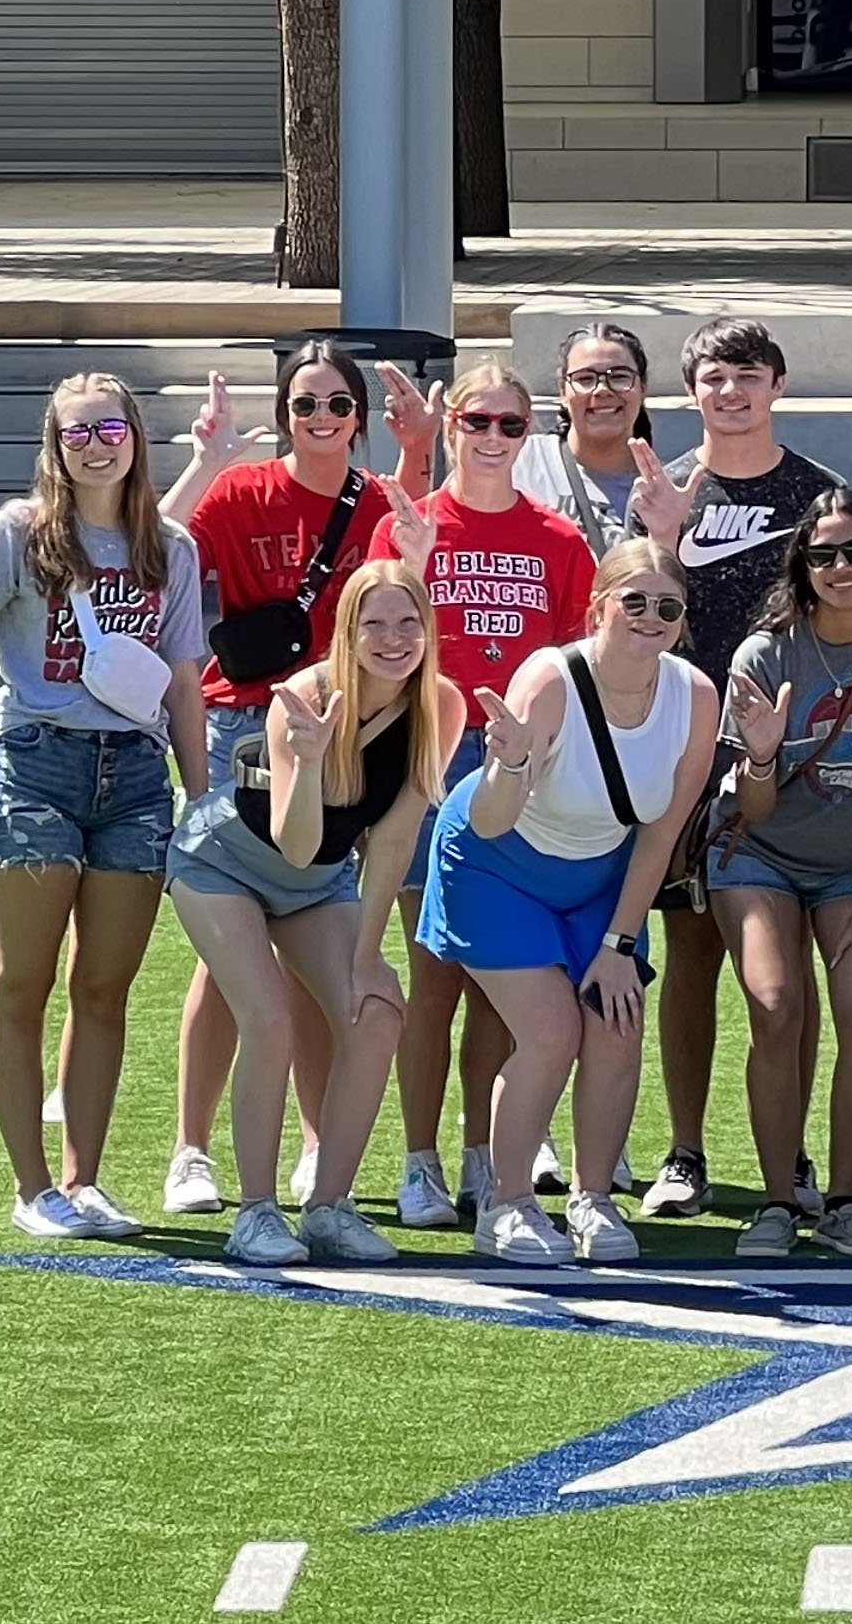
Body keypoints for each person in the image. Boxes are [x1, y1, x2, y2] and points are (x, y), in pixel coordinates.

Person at [0, 376, 210, 1238]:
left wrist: (201, 794)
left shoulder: (169, 547)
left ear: (137, 437)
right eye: (78, 434)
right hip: (36, 764)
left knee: (104, 987)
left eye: (112, 428)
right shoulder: (19, 532)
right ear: (54, 445)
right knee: (22, 981)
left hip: (136, 777)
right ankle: (33, 1187)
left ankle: (86, 1179)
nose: (97, 445)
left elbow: (184, 683)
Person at [158, 340, 417, 1215]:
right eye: (304, 405)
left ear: (358, 416)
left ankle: (314, 1145)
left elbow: (401, 609)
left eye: (337, 404)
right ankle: (191, 1148)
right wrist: (203, 464)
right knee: (231, 968)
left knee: (314, 938)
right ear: (283, 414)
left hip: (341, 736)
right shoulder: (242, 491)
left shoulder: (378, 502)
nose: (320, 419)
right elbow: (162, 559)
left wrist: (420, 461)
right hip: (244, 724)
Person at [419, 540, 720, 1264]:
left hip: (599, 875)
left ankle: (592, 1198)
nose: (650, 618)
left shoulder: (696, 696)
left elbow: (661, 832)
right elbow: (490, 821)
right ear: (598, 609)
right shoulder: (549, 680)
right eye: (634, 602)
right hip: (493, 866)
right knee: (552, 1032)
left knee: (616, 1023)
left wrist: (620, 945)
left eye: (667, 607)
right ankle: (508, 1204)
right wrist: (513, 761)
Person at [165, 561, 462, 1263]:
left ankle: (329, 1205)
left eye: (407, 622)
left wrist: (366, 959)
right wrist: (311, 754)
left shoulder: (440, 704)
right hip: (222, 864)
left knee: (379, 1009)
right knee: (266, 1019)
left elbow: (390, 840)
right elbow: (295, 842)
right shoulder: (303, 695)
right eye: (374, 624)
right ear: (346, 633)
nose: (393, 639)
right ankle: (256, 1213)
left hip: (319, 883)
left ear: (428, 627)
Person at [368, 366, 599, 1227]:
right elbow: (378, 646)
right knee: (432, 975)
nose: (492, 439)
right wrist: (414, 566)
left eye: (510, 425)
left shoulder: (559, 539)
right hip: (429, 753)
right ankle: (419, 1159)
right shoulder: (412, 524)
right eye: (477, 421)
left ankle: (481, 1152)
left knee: (503, 976)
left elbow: (579, 664)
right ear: (451, 424)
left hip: (519, 762)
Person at [625, 318, 844, 1221]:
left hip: (788, 760)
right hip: (684, 751)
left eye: (748, 375)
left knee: (783, 965)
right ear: (692, 391)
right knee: (691, 955)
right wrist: (668, 537)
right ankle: (684, 1149)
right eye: (715, 377)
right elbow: (646, 615)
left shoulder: (820, 494)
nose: (732, 392)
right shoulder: (666, 490)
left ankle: (788, 1151)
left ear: (777, 386)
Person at [711, 489, 852, 1259]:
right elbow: (756, 801)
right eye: (822, 555)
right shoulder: (765, 652)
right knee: (775, 1005)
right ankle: (778, 1200)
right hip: (758, 851)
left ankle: (844, 1201)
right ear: (799, 566)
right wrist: (765, 750)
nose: (840, 568)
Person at [516, 321, 657, 554]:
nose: (602, 390)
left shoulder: (662, 488)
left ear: (642, 387)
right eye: (585, 379)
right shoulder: (518, 462)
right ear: (562, 391)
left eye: (620, 377)